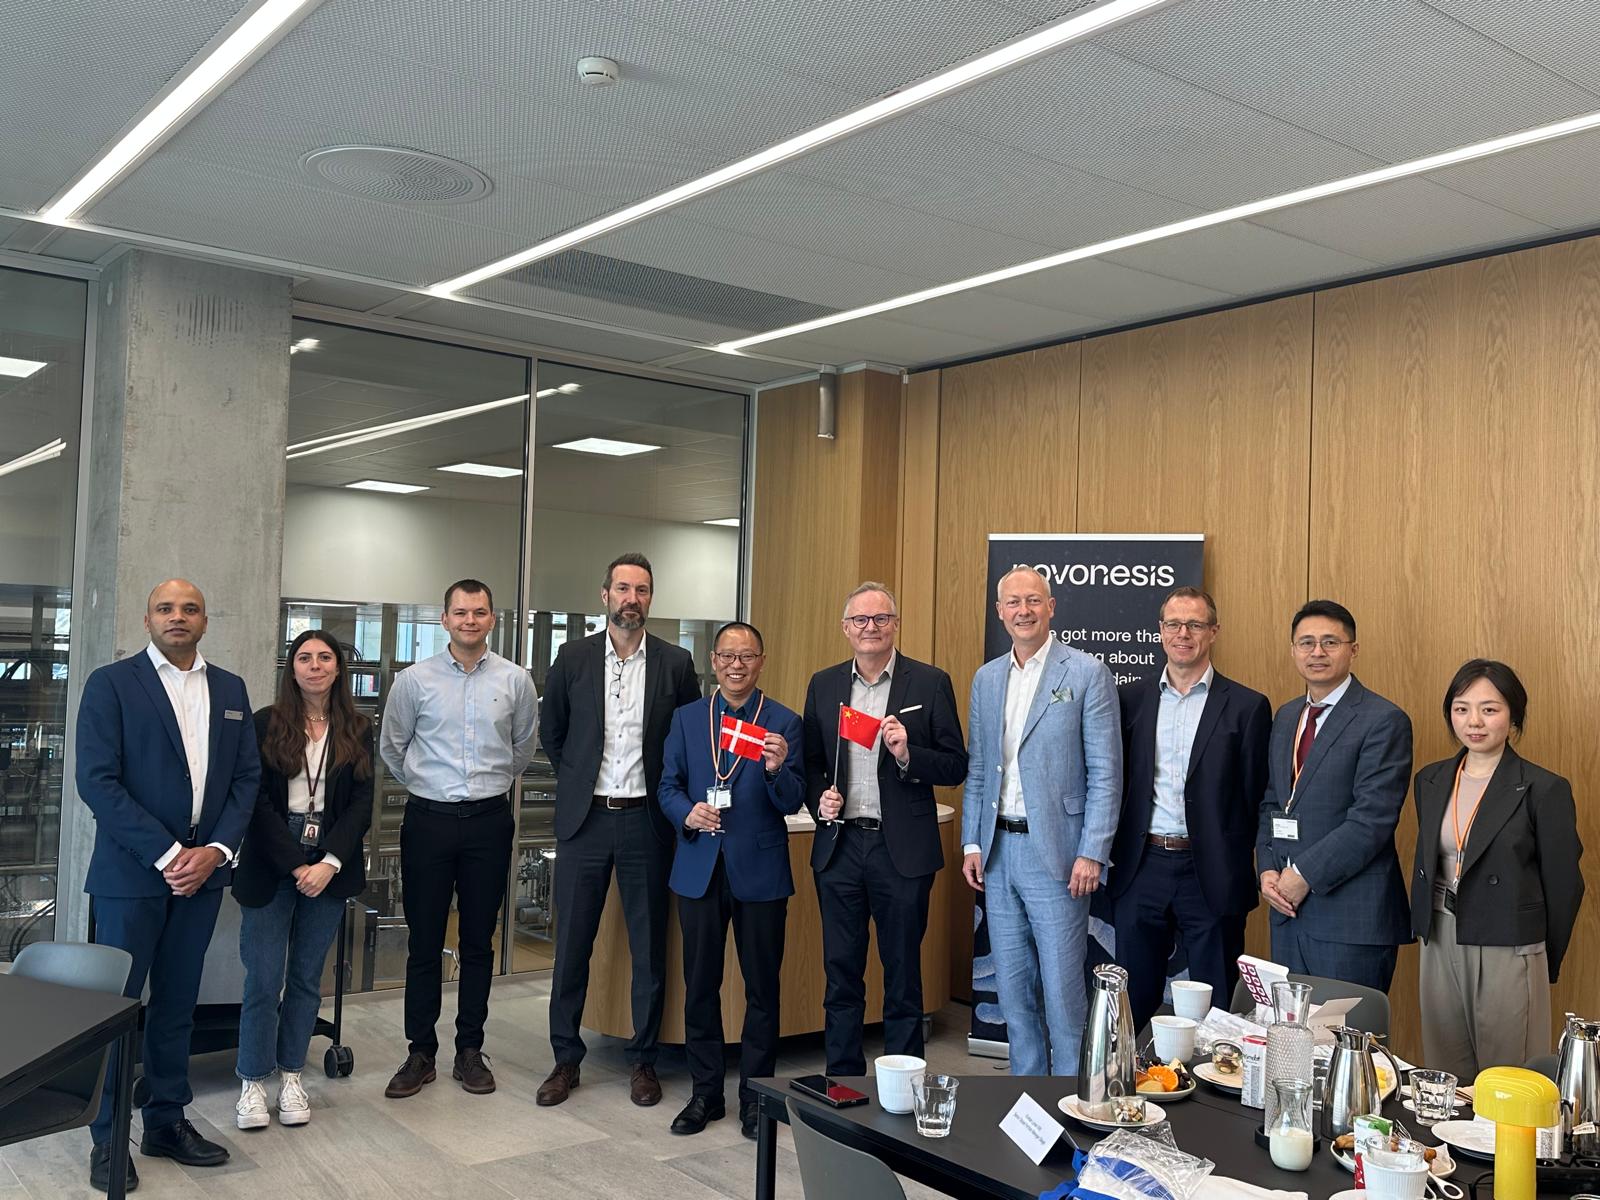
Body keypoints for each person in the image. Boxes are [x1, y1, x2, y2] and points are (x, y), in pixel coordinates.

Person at [75, 579, 260, 1192]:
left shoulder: (230, 689)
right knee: (115, 1012)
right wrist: (169, 853)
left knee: (178, 1005)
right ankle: (108, 1137)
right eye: (165, 608)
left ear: (205, 620)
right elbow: (97, 781)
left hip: (202, 878)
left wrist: (216, 852)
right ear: (147, 619)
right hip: (131, 876)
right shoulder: (111, 684)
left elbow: (246, 779)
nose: (177, 616)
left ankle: (165, 1121)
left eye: (189, 608)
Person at [537, 553, 700, 1108]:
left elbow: (688, 741)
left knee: (649, 949)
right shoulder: (573, 656)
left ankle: (643, 1060)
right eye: (624, 588)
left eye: (642, 590)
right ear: (604, 594)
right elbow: (554, 733)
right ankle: (565, 1059)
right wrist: (583, 779)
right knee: (571, 946)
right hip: (585, 822)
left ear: (650, 599)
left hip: (647, 823)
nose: (632, 598)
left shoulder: (676, 664)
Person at [379, 579, 538, 1100]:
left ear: (492, 619)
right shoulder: (413, 681)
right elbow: (393, 747)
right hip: (428, 820)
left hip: (489, 821)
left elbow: (521, 749)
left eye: (479, 612)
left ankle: (470, 1049)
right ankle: (420, 1052)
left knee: (477, 941)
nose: (470, 620)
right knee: (424, 941)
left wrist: (483, 788)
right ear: (444, 619)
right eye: (461, 612)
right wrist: (431, 786)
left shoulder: (515, 680)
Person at [961, 566, 1122, 1075]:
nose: (1023, 611)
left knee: (1063, 994)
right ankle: (1026, 1097)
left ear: (1051, 607)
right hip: (997, 855)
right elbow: (980, 768)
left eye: (1033, 600)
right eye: (1013, 602)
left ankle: (1072, 1102)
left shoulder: (1086, 673)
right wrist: (971, 844)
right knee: (1013, 993)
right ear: (1000, 612)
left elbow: (1106, 772)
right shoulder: (987, 678)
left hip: (1058, 856)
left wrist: (1092, 851)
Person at [803, 582, 967, 1076]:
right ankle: (843, 1085)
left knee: (902, 977)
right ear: (845, 628)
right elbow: (810, 763)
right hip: (840, 847)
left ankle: (904, 1090)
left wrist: (907, 753)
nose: (870, 628)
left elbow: (955, 765)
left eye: (880, 619)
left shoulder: (929, 682)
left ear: (895, 624)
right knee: (841, 975)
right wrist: (820, 799)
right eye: (860, 620)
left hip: (902, 852)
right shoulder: (824, 684)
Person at [658, 621, 803, 1139]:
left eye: (746, 656)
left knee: (763, 988)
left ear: (761, 661)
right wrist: (686, 812)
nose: (736, 665)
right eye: (727, 656)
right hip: (699, 867)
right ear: (713, 661)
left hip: (760, 870)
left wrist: (776, 771)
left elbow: (793, 800)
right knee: (700, 985)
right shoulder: (687, 719)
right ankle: (705, 1093)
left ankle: (757, 1098)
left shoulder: (784, 722)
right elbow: (667, 785)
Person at [1108, 587, 1271, 1031]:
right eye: (1174, 624)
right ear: (1160, 631)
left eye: (1195, 625)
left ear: (1213, 632)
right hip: (1142, 866)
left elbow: (1255, 795)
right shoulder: (1129, 699)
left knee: (1216, 1004)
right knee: (1133, 999)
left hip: (1211, 872)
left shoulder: (1247, 707)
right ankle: (1132, 1074)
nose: (1184, 633)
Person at [1412, 660, 1584, 1078]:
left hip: (1508, 943)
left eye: (1489, 709)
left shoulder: (1544, 788)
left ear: (1513, 715)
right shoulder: (1430, 779)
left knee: (1508, 1078)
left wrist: (1539, 957)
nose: (1474, 721)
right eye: (1461, 708)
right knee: (1446, 1074)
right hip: (1439, 935)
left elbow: (1564, 887)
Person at [232, 630, 373, 1129]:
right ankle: (253, 1080)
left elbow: (362, 803)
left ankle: (292, 1076)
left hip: (331, 857)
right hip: (273, 857)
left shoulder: (357, 727)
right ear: (291, 669)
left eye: (324, 657)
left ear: (338, 668)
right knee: (263, 979)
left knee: (306, 980)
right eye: (305, 658)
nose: (315, 665)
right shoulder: (265, 723)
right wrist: (296, 864)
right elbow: (254, 801)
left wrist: (328, 862)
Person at [1256, 600, 1412, 991]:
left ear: (1353, 650)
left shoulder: (1383, 720)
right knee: (1290, 1028)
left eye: (1330, 642)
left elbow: (1371, 820)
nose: (1317, 652)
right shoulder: (1287, 716)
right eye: (1306, 643)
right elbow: (1273, 802)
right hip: (1287, 912)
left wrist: (1302, 875)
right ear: (1293, 650)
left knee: (1345, 1031)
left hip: (1350, 920)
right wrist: (1267, 869)